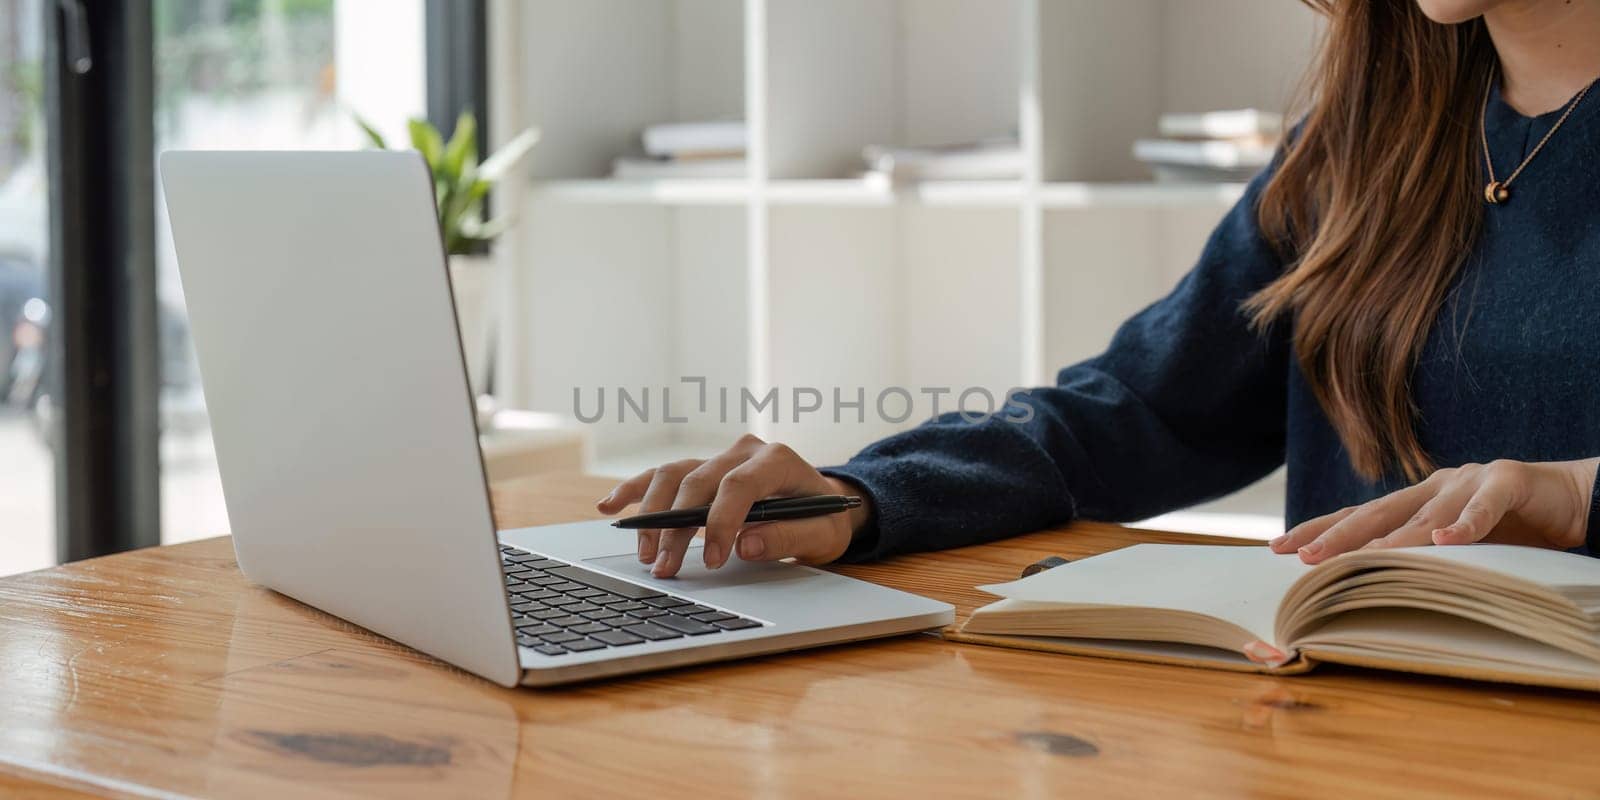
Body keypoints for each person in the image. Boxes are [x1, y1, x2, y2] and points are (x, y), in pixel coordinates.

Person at [600, 0, 1600, 582]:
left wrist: (1575, 496)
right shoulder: (1368, 139)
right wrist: (862, 493)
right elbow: (1138, 410)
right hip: (1345, 725)